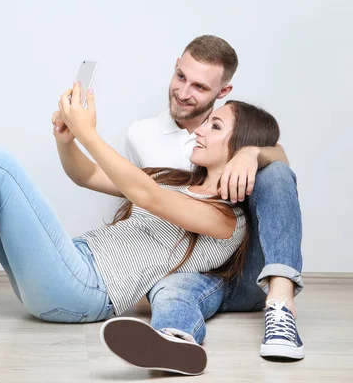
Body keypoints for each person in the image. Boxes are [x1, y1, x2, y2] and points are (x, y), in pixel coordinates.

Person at [0, 82, 275, 350]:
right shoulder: (178, 179)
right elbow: (86, 175)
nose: (201, 125)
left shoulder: (226, 221)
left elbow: (146, 195)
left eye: (216, 125)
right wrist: (66, 139)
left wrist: (89, 130)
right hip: (72, 263)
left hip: (86, 292)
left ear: (238, 147)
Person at [101, 35, 303, 374]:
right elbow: (140, 205)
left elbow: (280, 157)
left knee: (277, 171)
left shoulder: (235, 126)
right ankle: (174, 342)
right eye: (181, 77)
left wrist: (251, 153)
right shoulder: (141, 135)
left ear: (223, 92)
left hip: (242, 268)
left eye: (200, 87)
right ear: (175, 67)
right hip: (188, 269)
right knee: (173, 289)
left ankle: (281, 304)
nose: (183, 93)